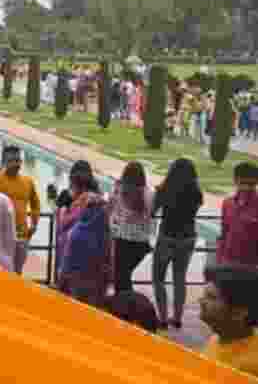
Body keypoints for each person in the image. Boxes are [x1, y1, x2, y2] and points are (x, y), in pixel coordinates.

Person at [152, 158, 203, 330]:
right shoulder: (196, 193)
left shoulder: (165, 190)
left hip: (167, 236)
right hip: (188, 238)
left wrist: (157, 192)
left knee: (158, 279)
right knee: (179, 278)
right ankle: (178, 317)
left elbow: (152, 211)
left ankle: (163, 318)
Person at [55, 160, 110, 307]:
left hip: (74, 262)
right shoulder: (101, 202)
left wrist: (62, 210)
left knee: (71, 304)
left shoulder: (82, 201)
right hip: (96, 263)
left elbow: (63, 224)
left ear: (74, 181)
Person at [200, 264, 258, 377]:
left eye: (211, 297)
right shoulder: (221, 337)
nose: (201, 301)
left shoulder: (246, 367)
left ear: (239, 312)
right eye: (204, 295)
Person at [0, 146, 41, 274]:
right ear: (4, 162)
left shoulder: (27, 181)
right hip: (0, 236)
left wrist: (34, 224)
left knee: (17, 272)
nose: (16, 164)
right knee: (0, 272)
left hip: (22, 235)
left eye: (18, 160)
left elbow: (35, 204)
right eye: (12, 160)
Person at [107, 162, 154, 292]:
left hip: (123, 241)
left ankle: (124, 307)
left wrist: (115, 190)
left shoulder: (121, 192)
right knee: (124, 277)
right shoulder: (149, 194)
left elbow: (110, 210)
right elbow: (150, 215)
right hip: (142, 244)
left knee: (120, 279)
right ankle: (127, 305)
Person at [217, 162, 258, 269]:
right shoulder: (227, 203)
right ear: (235, 180)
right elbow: (224, 234)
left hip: (251, 267)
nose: (247, 188)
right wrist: (219, 261)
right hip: (227, 264)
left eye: (251, 184)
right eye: (243, 183)